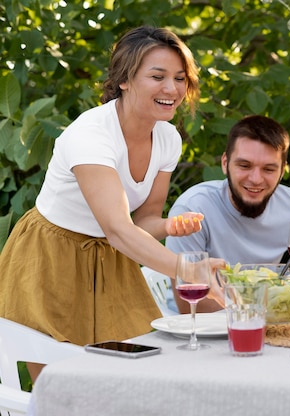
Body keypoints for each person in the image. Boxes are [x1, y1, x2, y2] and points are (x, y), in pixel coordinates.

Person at [0, 26, 224, 347]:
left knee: (132, 366)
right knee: (59, 376)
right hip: (50, 257)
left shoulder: (168, 138)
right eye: (157, 76)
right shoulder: (90, 135)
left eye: (180, 78)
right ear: (124, 79)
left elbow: (142, 222)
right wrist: (187, 269)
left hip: (111, 256)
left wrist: (168, 226)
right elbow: (118, 228)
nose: (172, 88)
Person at [165, 115, 290, 313]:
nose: (256, 179)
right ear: (225, 163)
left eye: (269, 169)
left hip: (268, 323)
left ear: (282, 172)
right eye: (244, 166)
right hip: (196, 330)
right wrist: (270, 305)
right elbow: (192, 306)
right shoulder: (192, 211)